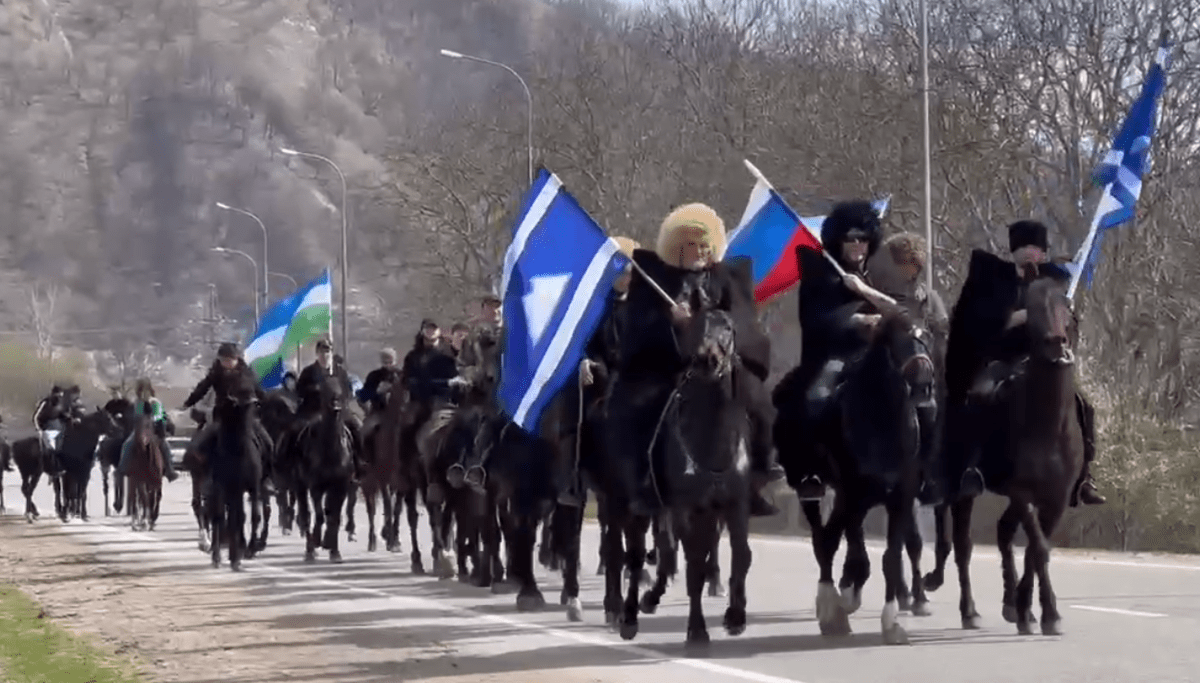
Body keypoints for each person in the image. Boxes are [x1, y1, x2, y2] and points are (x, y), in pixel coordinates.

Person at [611, 204, 785, 518]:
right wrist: (672, 323)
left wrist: (719, 328)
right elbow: (638, 327)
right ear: (676, 248)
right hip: (669, 365)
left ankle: (759, 474)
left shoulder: (730, 276)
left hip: (723, 361)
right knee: (635, 407)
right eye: (691, 246)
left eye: (705, 246)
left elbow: (746, 321)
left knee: (761, 405)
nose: (700, 252)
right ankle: (644, 481)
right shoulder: (653, 278)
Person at [942, 219, 1106, 506]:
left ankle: (1083, 475)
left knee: (1083, 406)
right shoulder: (995, 283)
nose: (1032, 252)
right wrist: (1026, 314)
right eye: (1026, 246)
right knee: (980, 395)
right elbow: (984, 324)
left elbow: (1068, 328)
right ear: (1015, 250)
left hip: (1042, 362)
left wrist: (1062, 318)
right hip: (1002, 360)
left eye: (1037, 248)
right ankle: (971, 467)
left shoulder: (1053, 285)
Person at [774, 200, 897, 501]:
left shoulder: (880, 273)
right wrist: (859, 320)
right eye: (850, 238)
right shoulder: (819, 273)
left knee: (922, 389)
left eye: (863, 239)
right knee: (816, 397)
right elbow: (816, 320)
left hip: (879, 354)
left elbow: (900, 310)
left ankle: (925, 468)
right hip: (838, 357)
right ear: (838, 240)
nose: (857, 245)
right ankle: (811, 469)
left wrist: (863, 290)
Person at [557, 236, 639, 507]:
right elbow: (578, 341)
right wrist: (582, 361)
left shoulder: (642, 308)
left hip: (632, 374)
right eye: (621, 273)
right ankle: (573, 477)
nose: (626, 278)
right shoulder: (593, 306)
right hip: (599, 370)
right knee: (576, 413)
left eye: (629, 273)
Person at [181, 342, 272, 469]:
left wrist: (267, 403)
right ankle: (201, 469)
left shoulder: (247, 373)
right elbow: (203, 388)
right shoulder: (215, 373)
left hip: (245, 416)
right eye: (223, 360)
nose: (226, 363)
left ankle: (268, 472)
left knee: (268, 442)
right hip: (223, 415)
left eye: (229, 360)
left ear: (236, 359)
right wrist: (189, 402)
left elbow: (258, 390)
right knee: (202, 441)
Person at [294, 339, 367, 479]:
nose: (324, 355)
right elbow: (299, 391)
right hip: (314, 411)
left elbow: (347, 391)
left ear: (331, 353)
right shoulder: (309, 372)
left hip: (338, 410)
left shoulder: (340, 372)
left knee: (357, 426)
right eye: (321, 352)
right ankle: (295, 464)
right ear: (317, 354)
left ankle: (359, 461)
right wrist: (314, 390)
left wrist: (340, 399)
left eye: (327, 351)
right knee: (297, 431)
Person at [117, 378, 179, 481]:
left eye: (146, 390)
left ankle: (170, 470)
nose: (144, 393)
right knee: (127, 444)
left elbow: (158, 417)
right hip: (140, 431)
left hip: (154, 431)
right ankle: (122, 469)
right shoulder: (139, 403)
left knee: (165, 446)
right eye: (141, 390)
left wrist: (154, 420)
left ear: (150, 390)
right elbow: (137, 416)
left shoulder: (155, 402)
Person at [357, 347, 402, 447]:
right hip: (379, 412)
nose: (388, 365)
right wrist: (376, 391)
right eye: (385, 362)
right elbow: (363, 396)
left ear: (395, 360)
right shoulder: (374, 376)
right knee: (364, 431)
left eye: (390, 362)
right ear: (381, 361)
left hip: (399, 413)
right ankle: (363, 453)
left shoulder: (401, 375)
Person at [33, 385, 67, 456]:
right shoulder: (45, 402)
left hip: (56, 430)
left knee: (55, 452)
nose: (59, 398)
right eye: (58, 395)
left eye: (60, 396)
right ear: (53, 394)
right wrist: (38, 429)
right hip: (47, 430)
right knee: (50, 452)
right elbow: (36, 416)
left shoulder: (60, 404)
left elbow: (63, 416)